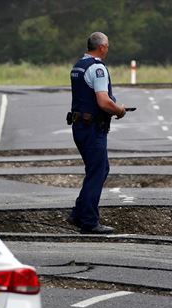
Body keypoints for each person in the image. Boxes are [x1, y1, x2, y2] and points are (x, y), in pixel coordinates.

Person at [66, 32, 126, 234]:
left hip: (79, 125)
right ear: (102, 47)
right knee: (97, 172)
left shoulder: (78, 65)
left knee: (99, 169)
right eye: (107, 46)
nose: (107, 50)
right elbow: (103, 101)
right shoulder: (97, 67)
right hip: (92, 128)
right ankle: (89, 221)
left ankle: (78, 214)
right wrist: (119, 110)